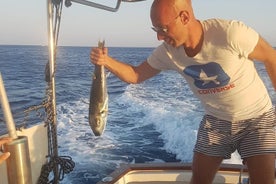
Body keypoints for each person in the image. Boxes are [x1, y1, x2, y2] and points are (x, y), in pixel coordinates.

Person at [90, 0, 276, 183]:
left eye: (162, 28)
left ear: (184, 17)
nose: (159, 37)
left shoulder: (230, 34)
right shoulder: (168, 53)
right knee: (199, 180)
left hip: (257, 119)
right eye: (155, 30)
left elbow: (271, 57)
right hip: (216, 122)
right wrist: (106, 61)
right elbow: (136, 75)